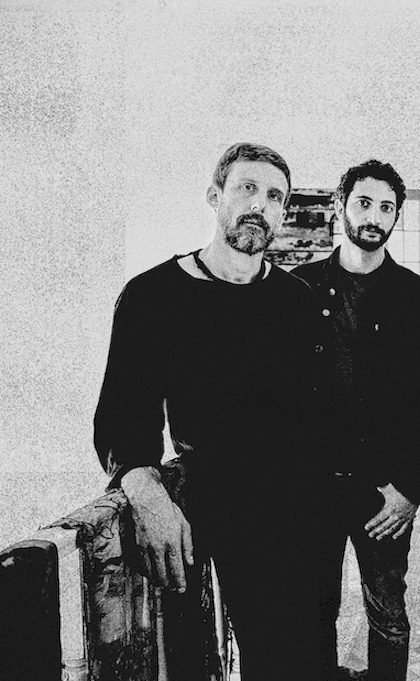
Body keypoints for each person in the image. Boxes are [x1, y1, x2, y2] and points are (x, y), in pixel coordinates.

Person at [94, 142, 323, 679]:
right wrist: (145, 492)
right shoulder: (153, 296)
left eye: (275, 197)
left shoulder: (297, 301)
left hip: (286, 516)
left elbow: (314, 416)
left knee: (287, 661)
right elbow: (123, 417)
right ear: (214, 195)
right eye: (247, 188)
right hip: (197, 508)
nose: (260, 205)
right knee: (188, 662)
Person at [292, 159, 420, 681]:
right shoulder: (298, 290)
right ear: (340, 206)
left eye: (386, 207)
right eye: (364, 203)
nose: (374, 217)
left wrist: (410, 489)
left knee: (388, 614)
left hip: (385, 493)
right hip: (314, 488)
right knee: (314, 612)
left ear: (396, 215)